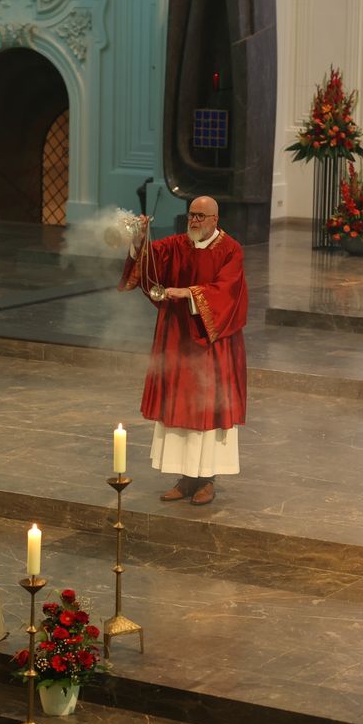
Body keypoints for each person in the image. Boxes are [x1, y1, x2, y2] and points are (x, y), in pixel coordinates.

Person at [118, 196, 248, 506]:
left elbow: (228, 292)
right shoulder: (177, 244)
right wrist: (139, 240)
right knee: (178, 404)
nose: (194, 221)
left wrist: (188, 293)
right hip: (177, 338)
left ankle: (207, 479)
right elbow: (149, 265)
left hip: (212, 344)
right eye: (191, 215)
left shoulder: (231, 250)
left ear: (215, 219)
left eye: (201, 216)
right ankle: (186, 477)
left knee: (208, 407)